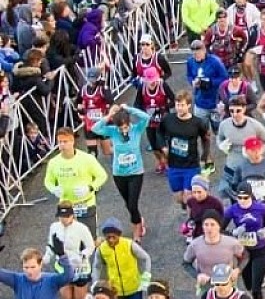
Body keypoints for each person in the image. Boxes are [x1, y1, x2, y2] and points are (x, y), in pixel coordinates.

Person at [92, 104, 151, 242]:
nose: (123, 130)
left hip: (136, 172)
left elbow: (146, 117)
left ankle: (136, 234)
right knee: (128, 203)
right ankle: (139, 219)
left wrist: (129, 109)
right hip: (119, 174)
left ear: (129, 123)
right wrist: (109, 116)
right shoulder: (113, 131)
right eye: (120, 128)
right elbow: (95, 128)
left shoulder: (136, 129)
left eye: (125, 127)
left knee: (133, 204)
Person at [44, 126, 109, 234]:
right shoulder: (53, 162)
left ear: (72, 141)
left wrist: (89, 188)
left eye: (65, 141)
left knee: (89, 237)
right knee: (68, 238)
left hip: (86, 203)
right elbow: (48, 181)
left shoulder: (87, 159)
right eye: (60, 142)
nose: (62, 145)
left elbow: (102, 176)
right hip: (65, 206)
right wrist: (53, 189)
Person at [222, 182, 265, 299]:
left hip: (259, 250)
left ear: (251, 196)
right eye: (239, 198)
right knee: (248, 284)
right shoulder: (232, 210)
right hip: (243, 253)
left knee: (256, 287)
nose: (242, 201)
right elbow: (220, 229)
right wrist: (233, 233)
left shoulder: (262, 208)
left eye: (245, 198)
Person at [159, 91, 212, 208]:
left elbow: (206, 139)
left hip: (191, 165)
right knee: (179, 198)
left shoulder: (198, 122)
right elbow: (159, 132)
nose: (179, 108)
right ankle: (185, 205)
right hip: (173, 165)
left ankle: (191, 216)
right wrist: (163, 146)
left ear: (189, 105)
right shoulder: (168, 119)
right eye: (177, 105)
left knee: (189, 197)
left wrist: (205, 156)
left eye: (182, 105)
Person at [93, 218, 151, 299]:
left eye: (114, 237)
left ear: (119, 235)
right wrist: (95, 283)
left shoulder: (129, 244)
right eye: (108, 237)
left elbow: (145, 258)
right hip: (115, 290)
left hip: (134, 288)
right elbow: (97, 266)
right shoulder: (101, 249)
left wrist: (146, 277)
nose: (111, 240)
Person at [0, 247, 73, 299]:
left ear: (40, 264)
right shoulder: (17, 280)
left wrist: (62, 256)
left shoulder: (51, 280)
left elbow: (68, 276)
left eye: (33, 267)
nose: (29, 271)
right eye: (26, 267)